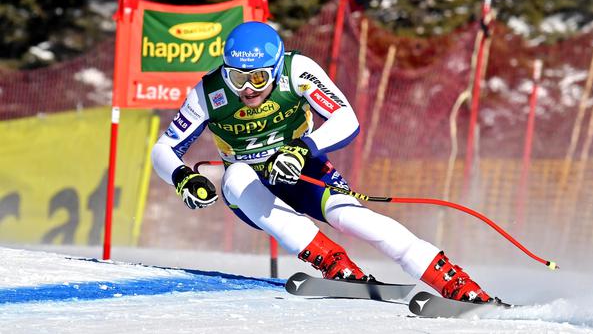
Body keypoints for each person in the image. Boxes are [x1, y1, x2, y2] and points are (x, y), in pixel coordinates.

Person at [151, 21, 491, 303]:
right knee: (236, 174)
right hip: (250, 188)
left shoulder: (296, 70)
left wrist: (302, 149)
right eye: (237, 78)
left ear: (275, 69)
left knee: (352, 217)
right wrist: (183, 177)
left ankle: (457, 285)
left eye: (257, 79)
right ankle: (335, 264)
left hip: (301, 170)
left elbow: (346, 118)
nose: (248, 90)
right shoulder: (207, 93)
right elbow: (164, 149)